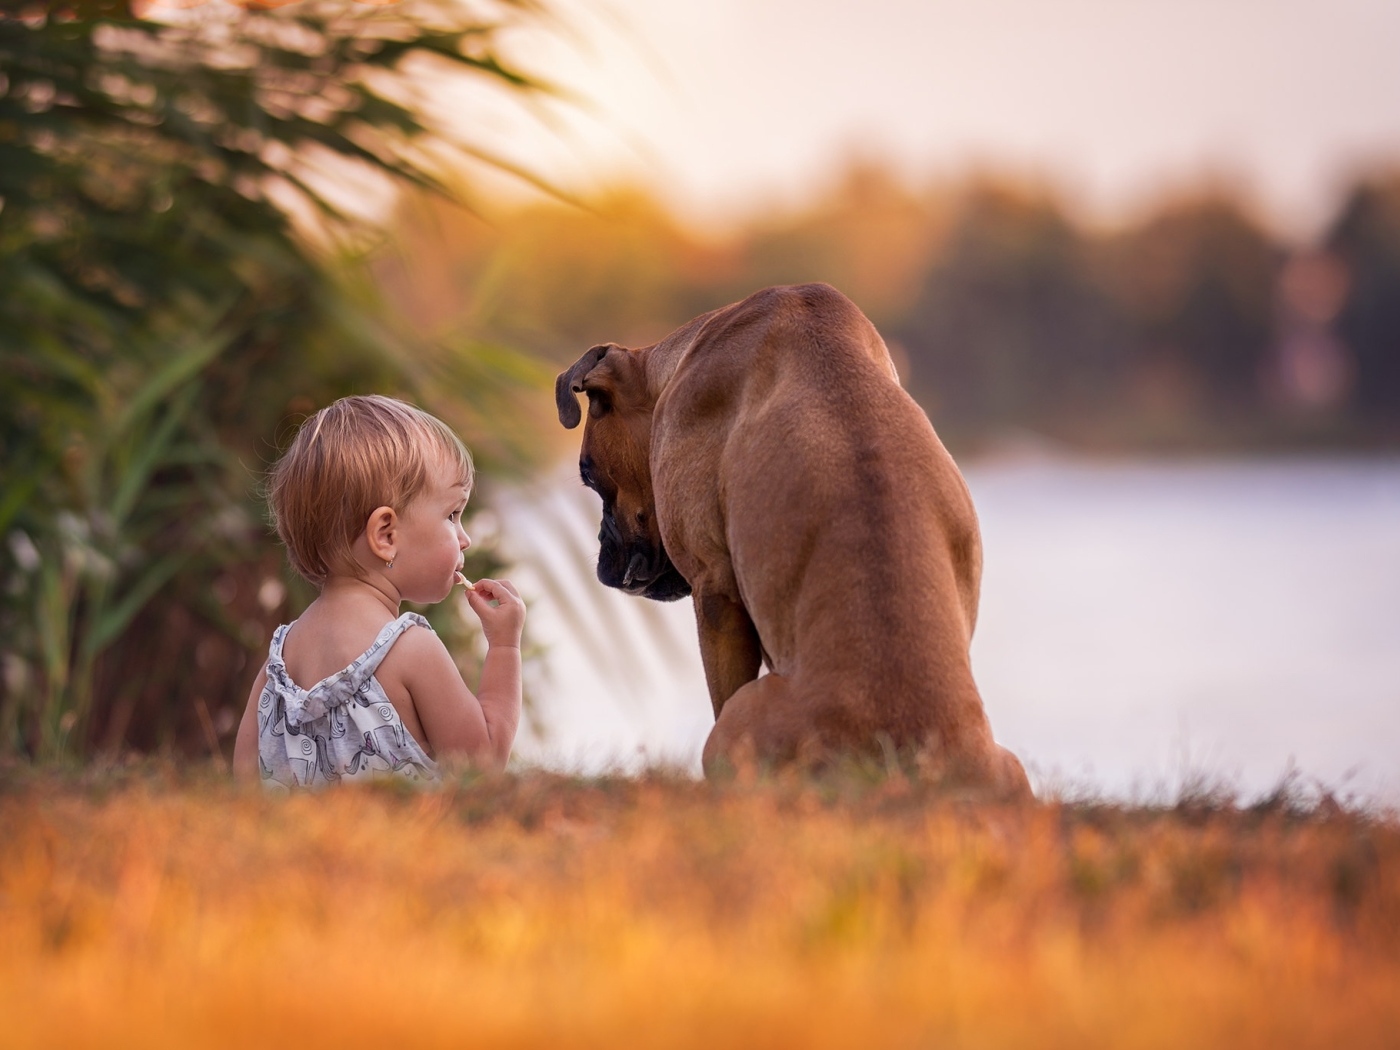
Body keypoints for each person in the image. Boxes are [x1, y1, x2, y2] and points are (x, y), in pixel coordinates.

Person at [232, 394, 525, 787]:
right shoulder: (409, 648)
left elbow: (243, 788)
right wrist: (505, 647)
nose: (465, 538)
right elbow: (482, 768)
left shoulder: (276, 668)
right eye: (452, 515)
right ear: (386, 535)